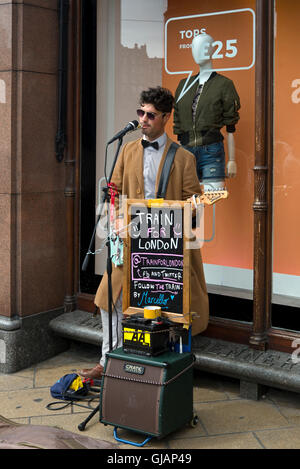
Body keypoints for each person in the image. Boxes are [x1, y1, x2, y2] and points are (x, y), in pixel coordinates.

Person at [79, 86, 209, 380]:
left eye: (150, 115)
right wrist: (115, 220)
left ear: (165, 117)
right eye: (141, 112)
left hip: (167, 245)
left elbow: (194, 203)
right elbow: (114, 190)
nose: (143, 119)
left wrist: (185, 211)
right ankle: (107, 361)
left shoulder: (184, 158)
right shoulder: (126, 149)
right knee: (108, 298)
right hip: (130, 240)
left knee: (168, 306)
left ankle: (166, 370)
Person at [173, 33, 240, 191]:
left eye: (204, 47)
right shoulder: (184, 85)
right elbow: (178, 122)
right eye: (195, 47)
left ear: (213, 50)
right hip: (185, 151)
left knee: (212, 200)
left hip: (211, 151)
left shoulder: (224, 84)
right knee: (188, 201)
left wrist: (232, 159)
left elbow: (231, 126)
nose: (199, 51)